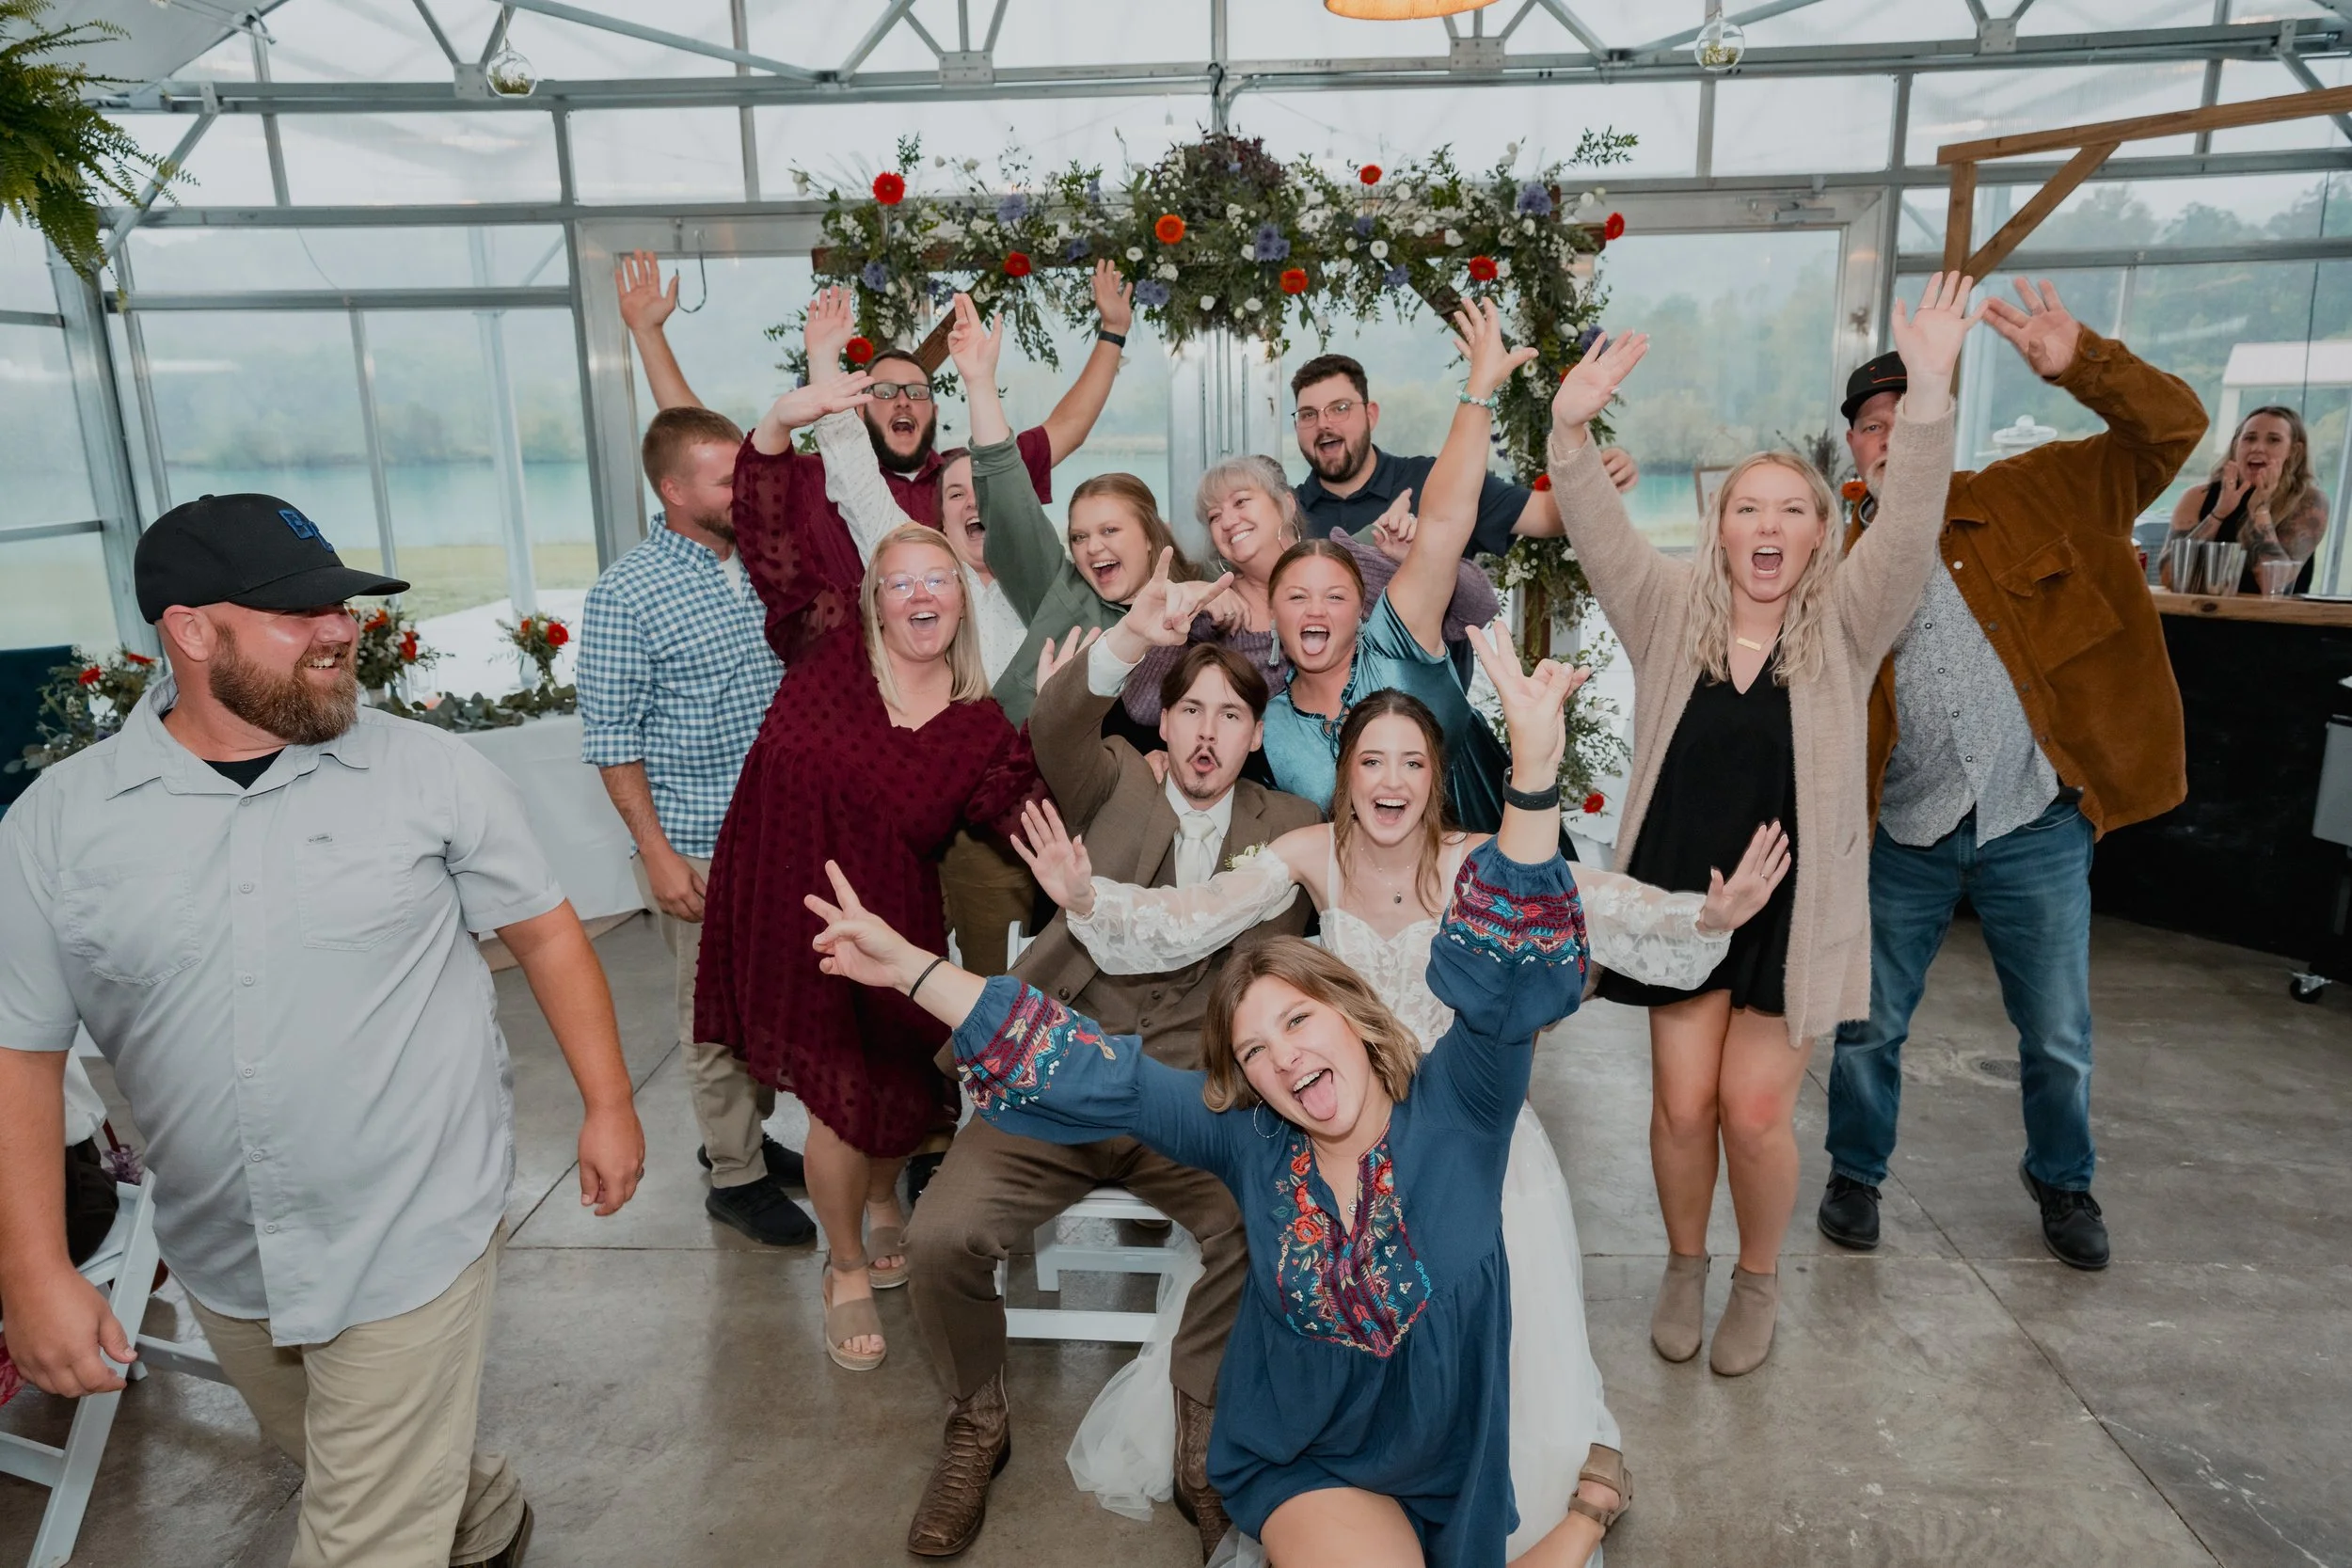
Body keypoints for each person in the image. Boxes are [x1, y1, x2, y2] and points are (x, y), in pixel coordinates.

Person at [805, 628, 1600, 1568]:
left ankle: (1579, 1521)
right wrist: (912, 968)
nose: (1285, 1059)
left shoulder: (1464, 1113)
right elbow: (1085, 1064)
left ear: (1355, 1015)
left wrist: (1533, 773)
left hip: (1448, 1457)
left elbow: (1508, 978)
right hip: (1311, 1456)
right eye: (1255, 1051)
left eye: (1298, 1022)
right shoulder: (1251, 1139)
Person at [1012, 650, 1792, 1568]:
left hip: (1464, 1141)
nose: (1391, 780)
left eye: (1412, 761)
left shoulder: (1478, 859)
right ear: (1344, 776)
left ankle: (1535, 1504)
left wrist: (1707, 917)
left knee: (1485, 1356)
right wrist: (1086, 897)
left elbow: (1598, 902)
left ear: (1435, 777)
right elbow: (1191, 915)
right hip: (1337, 1138)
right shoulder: (1310, 854)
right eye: (1371, 760)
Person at [0, 494, 645, 1568]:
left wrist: (610, 1103)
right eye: (297, 611)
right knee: (341, 1450)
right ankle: (480, 1512)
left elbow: (545, 932)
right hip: (224, 1245)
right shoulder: (57, 828)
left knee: (358, 1534)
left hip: (416, 1223)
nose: (340, 628)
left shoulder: (431, 772)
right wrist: (32, 1269)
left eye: (341, 605)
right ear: (191, 630)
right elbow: (21, 1051)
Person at [1548, 273, 1973, 1376]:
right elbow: (1594, 529)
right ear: (1718, 525)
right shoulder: (1664, 610)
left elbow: (1911, 522)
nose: (1767, 524)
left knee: (1750, 1111)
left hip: (1792, 910)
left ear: (1822, 530)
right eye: (1747, 506)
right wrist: (1569, 428)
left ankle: (1756, 1275)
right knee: (1680, 1105)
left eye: (1791, 507)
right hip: (1680, 905)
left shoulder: (1846, 623)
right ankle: (1685, 1261)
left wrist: (1929, 389)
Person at [898, 569, 1316, 1562]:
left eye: (1230, 716)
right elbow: (1055, 721)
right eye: (1190, 711)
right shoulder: (1112, 781)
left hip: (1195, 1104)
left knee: (1267, 1224)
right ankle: (977, 1421)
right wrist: (1132, 636)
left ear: (1256, 735)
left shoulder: (1292, 827)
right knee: (939, 1235)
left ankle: (1202, 1434)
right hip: (1056, 1081)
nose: (1207, 733)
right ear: (1161, 723)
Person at [1819, 279, 2208, 1271]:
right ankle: (1855, 1172)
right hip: (1903, 831)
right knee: (1868, 1024)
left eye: (1911, 413)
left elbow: (2173, 431)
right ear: (1854, 449)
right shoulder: (1836, 568)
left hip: (2033, 819)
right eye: (1872, 425)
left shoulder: (2044, 489)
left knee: (2056, 1031)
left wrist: (2083, 364)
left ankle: (2063, 1178)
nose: (1891, 437)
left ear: (1944, 422)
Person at [698, 360, 1046, 1372]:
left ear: (961, 602)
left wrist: (1107, 858)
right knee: (836, 1101)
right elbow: (767, 534)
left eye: (938, 580)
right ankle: (844, 1261)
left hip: (895, 921)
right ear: (874, 599)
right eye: (900, 582)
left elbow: (1029, 809)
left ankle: (885, 1197)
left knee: (900, 1093)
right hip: (790, 903)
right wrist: (779, 421)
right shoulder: (824, 642)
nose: (920, 594)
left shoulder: (978, 726)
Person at [1126, 299, 1528, 832]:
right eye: (1296, 598)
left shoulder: (1395, 646)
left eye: (1335, 596)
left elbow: (1446, 527)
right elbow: (1163, 716)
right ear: (1274, 615)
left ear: (1362, 607)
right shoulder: (1270, 720)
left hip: (1485, 847)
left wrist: (1478, 392)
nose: (1315, 608)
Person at [579, 404, 814, 1248]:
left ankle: (742, 1138)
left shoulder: (765, 565)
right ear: (674, 491)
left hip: (786, 835)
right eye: (725, 481)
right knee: (713, 1017)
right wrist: (657, 852)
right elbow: (612, 737)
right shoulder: (625, 593)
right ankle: (736, 1176)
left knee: (771, 1008)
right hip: (699, 843)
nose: (744, 491)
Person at [617, 254, 1134, 525]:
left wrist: (1113, 330)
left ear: (935, 411)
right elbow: (708, 450)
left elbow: (1067, 428)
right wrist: (648, 333)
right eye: (884, 392)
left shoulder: (972, 477)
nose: (903, 400)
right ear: (858, 410)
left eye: (917, 391)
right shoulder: (818, 478)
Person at [1116, 454, 1501, 739]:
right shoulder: (1213, 612)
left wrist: (1416, 558)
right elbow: (1144, 708)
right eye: (1214, 516)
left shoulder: (1345, 565)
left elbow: (1477, 608)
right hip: (1276, 801)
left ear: (1285, 505)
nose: (1228, 521)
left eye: (1241, 502)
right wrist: (1178, 618)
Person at [1290, 350, 1641, 553]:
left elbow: (1548, 516)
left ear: (1371, 415)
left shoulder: (1439, 480)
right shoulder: (1286, 513)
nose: (1323, 424)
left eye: (1339, 408)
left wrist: (1595, 475)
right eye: (1308, 414)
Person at [2163, 404, 2329, 594]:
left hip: (2273, 614)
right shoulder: (2197, 497)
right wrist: (2218, 514)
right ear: (2236, 445)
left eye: (2273, 440)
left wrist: (2260, 511)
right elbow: (2169, 577)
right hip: (2199, 611)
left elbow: (2274, 586)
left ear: (2294, 451)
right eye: (2249, 438)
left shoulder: (2309, 502)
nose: (2257, 448)